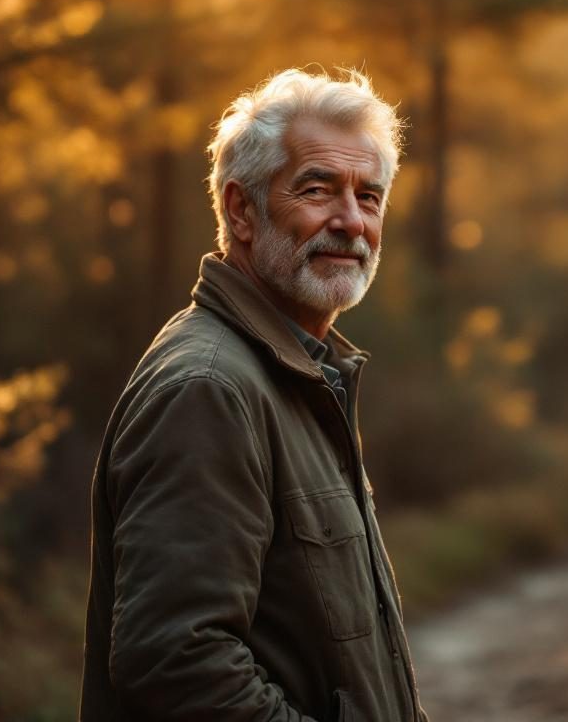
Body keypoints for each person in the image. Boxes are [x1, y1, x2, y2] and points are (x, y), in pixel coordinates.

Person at [80, 69, 427, 722]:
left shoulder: (297, 374)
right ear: (242, 211)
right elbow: (177, 664)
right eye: (318, 189)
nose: (351, 221)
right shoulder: (210, 390)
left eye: (369, 196)